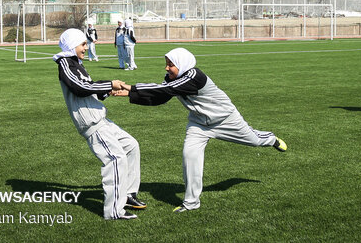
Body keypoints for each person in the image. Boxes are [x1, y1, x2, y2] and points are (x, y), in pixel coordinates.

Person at [112, 47, 287, 213]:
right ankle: (191, 202)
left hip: (225, 119)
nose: (167, 68)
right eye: (166, 63)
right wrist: (131, 95)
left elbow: (166, 89)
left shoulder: (195, 75)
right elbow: (161, 97)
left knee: (255, 140)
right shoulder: (171, 79)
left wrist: (131, 87)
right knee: (190, 155)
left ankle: (271, 139)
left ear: (183, 63)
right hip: (199, 124)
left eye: (170, 64)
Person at [53, 28, 146, 220]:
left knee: (131, 146)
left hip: (101, 120)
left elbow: (90, 87)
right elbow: (79, 88)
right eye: (83, 44)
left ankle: (127, 194)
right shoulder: (65, 63)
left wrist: (107, 91)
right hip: (92, 125)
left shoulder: (76, 64)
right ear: (72, 45)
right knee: (115, 159)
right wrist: (108, 84)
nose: (86, 48)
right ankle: (113, 211)